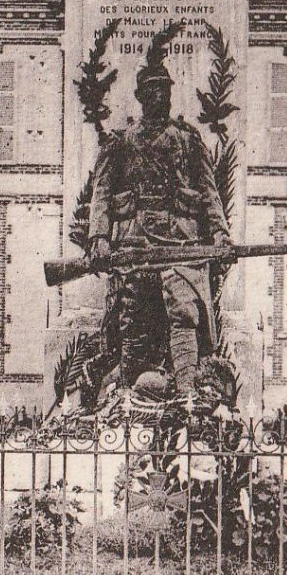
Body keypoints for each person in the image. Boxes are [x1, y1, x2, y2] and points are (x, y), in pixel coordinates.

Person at [86, 42, 231, 403]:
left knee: (183, 311)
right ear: (140, 97)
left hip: (180, 244)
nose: (158, 97)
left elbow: (209, 193)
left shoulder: (187, 141)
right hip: (134, 244)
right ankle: (127, 395)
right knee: (132, 318)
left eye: (163, 91)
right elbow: (101, 192)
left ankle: (187, 394)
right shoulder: (120, 143)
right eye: (151, 91)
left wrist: (220, 234)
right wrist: (99, 237)